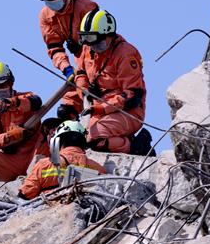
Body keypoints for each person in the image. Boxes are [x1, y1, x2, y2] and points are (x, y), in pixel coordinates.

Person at [57, 9, 151, 155]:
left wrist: (101, 108)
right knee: (75, 137)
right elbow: (81, 72)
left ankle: (136, 147)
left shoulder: (125, 54)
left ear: (109, 36)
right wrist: (83, 90)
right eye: (88, 40)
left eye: (96, 42)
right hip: (97, 109)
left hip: (127, 112)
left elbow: (132, 95)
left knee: (93, 138)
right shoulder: (88, 47)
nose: (93, 46)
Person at [34, 0, 98, 96]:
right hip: (80, 67)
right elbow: (55, 48)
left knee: (93, 96)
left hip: (99, 63)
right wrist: (67, 69)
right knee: (67, 105)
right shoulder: (45, 15)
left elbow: (100, 42)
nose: (50, 0)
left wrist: (81, 48)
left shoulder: (86, 7)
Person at [18, 120, 106, 200]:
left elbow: (26, 193)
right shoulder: (98, 169)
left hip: (52, 210)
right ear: (83, 142)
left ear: (58, 141)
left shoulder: (44, 165)